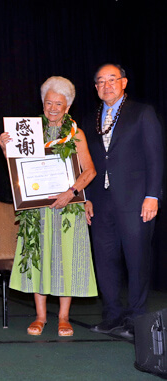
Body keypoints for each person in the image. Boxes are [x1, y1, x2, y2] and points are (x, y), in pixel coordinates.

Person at [0, 76, 98, 337]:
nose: (53, 108)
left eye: (59, 104)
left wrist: (72, 192)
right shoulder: (29, 130)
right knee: (39, 257)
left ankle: (64, 317)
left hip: (68, 206)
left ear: (67, 107)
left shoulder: (75, 134)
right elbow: (17, 167)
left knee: (65, 258)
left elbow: (89, 171)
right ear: (42, 103)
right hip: (38, 208)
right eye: (48, 102)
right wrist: (5, 147)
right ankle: (41, 316)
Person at [84, 64, 164, 340]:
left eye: (112, 80)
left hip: (136, 201)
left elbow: (155, 157)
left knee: (137, 260)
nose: (107, 85)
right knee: (105, 261)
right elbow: (85, 163)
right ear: (95, 88)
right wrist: (86, 198)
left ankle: (137, 321)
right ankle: (112, 316)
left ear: (124, 82)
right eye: (100, 82)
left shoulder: (142, 113)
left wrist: (153, 195)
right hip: (100, 202)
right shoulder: (90, 120)